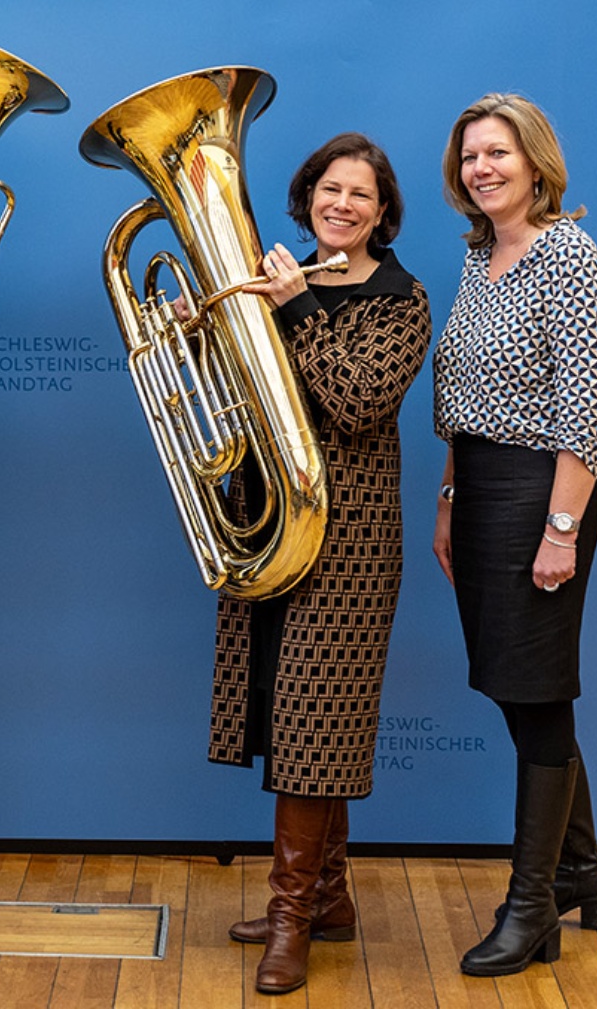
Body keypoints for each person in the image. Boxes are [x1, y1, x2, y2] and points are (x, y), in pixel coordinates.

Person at [204, 133, 430, 995]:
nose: (343, 204)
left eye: (360, 195)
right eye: (330, 189)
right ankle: (327, 895)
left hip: (351, 541)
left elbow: (358, 403)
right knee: (288, 711)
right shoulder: (282, 279)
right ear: (309, 198)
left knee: (314, 717)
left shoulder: (400, 299)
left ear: (383, 211)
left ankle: (292, 916)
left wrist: (294, 310)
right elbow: (242, 392)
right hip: (271, 522)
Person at [430, 93, 597, 976]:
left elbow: (586, 410)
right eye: (470, 157)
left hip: (545, 490)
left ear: (535, 162)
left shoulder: (568, 255)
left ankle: (532, 903)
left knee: (539, 691)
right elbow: (464, 398)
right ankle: (581, 869)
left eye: (498, 153)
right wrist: (447, 498)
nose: (483, 169)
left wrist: (561, 529)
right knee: (518, 688)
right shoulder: (479, 257)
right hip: (478, 490)